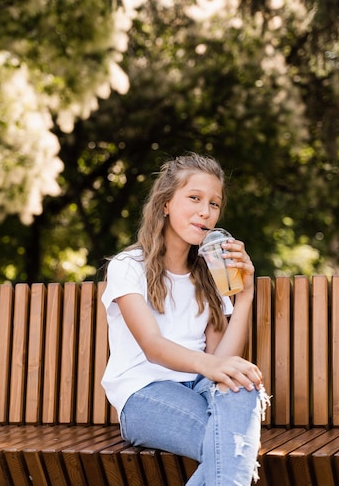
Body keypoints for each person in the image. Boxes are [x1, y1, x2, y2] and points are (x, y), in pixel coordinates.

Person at [101, 152, 269, 486]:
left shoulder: (210, 274)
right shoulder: (128, 266)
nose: (205, 212)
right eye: (194, 198)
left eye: (214, 204)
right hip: (144, 394)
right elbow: (152, 346)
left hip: (201, 390)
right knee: (233, 445)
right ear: (165, 203)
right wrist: (210, 367)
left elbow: (221, 362)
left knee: (243, 389)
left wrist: (246, 295)